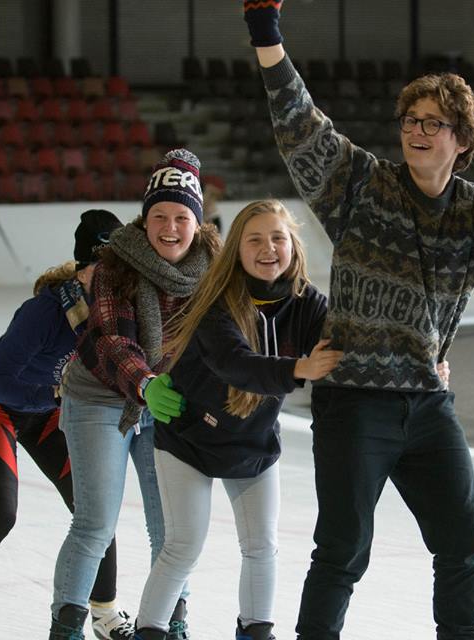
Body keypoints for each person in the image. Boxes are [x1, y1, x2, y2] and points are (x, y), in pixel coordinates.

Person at [244, 3, 474, 638]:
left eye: (435, 123)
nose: (418, 131)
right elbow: (300, 127)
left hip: (426, 404)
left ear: (464, 141)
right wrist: (265, 31)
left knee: (463, 547)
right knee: (342, 553)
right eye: (411, 120)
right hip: (355, 403)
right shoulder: (361, 185)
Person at [0, 210, 134, 640]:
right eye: (104, 272)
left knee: (96, 508)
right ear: (85, 269)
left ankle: (106, 614)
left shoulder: (114, 313)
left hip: (47, 408)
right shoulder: (43, 312)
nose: (113, 284)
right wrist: (55, 397)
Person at [133, 200, 342, 640]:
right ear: (237, 250)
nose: (268, 248)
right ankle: (149, 631)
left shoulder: (305, 304)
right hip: (188, 441)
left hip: (252, 443)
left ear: (293, 246)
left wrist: (422, 363)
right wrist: (300, 369)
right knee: (183, 546)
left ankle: (255, 633)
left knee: (263, 547)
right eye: (255, 239)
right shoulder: (216, 302)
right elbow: (236, 364)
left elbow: (348, 343)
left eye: (278, 238)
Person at [49, 149, 221, 640]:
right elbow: (109, 341)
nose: (169, 227)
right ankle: (65, 628)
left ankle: (171, 623)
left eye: (181, 217)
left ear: (197, 221)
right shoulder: (115, 264)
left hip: (168, 403)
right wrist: (146, 383)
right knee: (96, 523)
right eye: (159, 216)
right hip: (102, 398)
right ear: (144, 218)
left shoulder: (212, 270)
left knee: (170, 530)